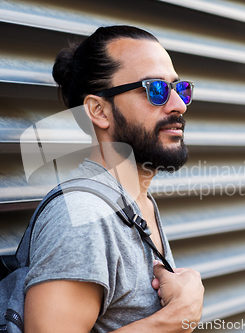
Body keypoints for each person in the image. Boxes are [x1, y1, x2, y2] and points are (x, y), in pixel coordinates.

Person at [24, 25, 204, 333]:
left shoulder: (136, 200)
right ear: (98, 110)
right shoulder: (83, 217)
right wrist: (173, 319)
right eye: (155, 89)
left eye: (179, 88)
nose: (179, 105)